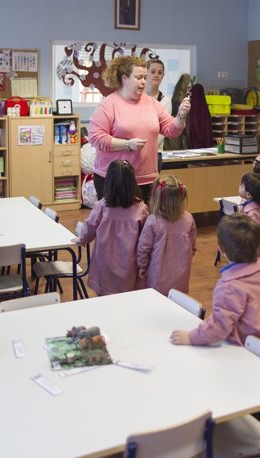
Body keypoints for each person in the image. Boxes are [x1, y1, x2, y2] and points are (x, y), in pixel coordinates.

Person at [88, 55, 190, 203]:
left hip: (147, 179)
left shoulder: (152, 104)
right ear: (124, 78)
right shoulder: (108, 104)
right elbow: (96, 138)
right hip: (115, 179)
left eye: (144, 77)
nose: (144, 81)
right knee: (117, 224)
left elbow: (171, 130)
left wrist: (180, 116)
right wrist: (127, 144)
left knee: (145, 223)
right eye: (138, 77)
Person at [170, 213, 260, 348]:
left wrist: (190, 337)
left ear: (221, 249)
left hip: (243, 353)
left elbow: (218, 328)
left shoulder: (229, 287)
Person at [74, 160, 149, 296]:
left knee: (105, 299)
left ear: (108, 183)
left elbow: (89, 227)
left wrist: (82, 239)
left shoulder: (102, 206)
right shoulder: (141, 209)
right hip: (129, 266)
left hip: (105, 264)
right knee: (128, 298)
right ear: (132, 183)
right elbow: (146, 239)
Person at [137, 175, 196, 296]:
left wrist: (142, 267)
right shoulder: (188, 219)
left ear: (157, 198)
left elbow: (143, 249)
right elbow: (192, 247)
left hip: (157, 278)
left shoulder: (152, 221)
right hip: (181, 277)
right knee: (179, 303)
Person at [239, 172, 260, 271]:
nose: (239, 186)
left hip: (254, 253)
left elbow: (249, 237)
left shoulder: (252, 213)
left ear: (249, 194)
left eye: (242, 185)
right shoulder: (259, 207)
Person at [144, 58, 172, 152]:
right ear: (145, 73)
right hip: (132, 151)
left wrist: (145, 148)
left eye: (160, 73)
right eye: (153, 72)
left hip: (155, 152)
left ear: (163, 76)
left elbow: (163, 131)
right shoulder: (135, 97)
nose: (156, 75)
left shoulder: (165, 101)